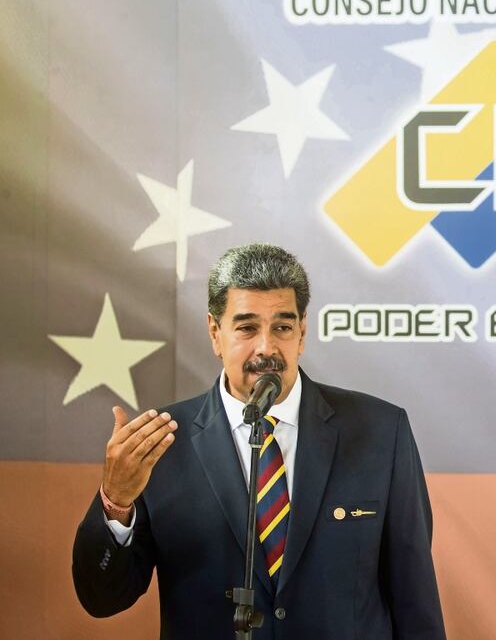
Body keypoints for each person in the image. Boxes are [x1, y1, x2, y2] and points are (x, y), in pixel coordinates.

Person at [72, 243, 446, 639]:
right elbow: (103, 599)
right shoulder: (162, 443)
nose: (266, 347)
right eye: (247, 327)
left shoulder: (381, 431)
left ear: (302, 332)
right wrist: (116, 501)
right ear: (216, 333)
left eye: (282, 327)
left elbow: (414, 598)